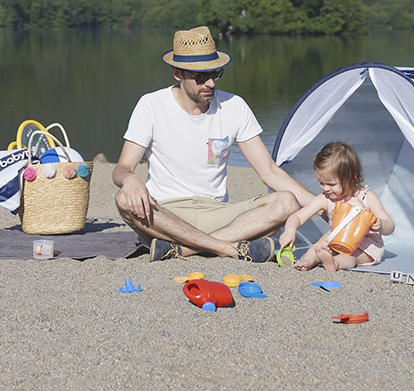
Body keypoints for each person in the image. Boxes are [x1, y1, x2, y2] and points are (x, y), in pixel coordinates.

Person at [113, 26, 314, 261]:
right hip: (165, 215)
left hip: (217, 212)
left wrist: (326, 207)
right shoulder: (151, 105)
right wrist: (130, 179)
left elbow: (269, 172)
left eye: (215, 74)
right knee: (123, 199)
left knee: (286, 201)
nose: (210, 83)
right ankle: (228, 248)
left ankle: (186, 250)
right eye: (200, 77)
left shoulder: (234, 106)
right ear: (177, 73)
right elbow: (121, 169)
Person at [281, 141, 395, 271]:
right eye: (321, 182)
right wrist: (290, 231)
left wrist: (381, 224)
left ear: (352, 178)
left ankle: (334, 263)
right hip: (335, 238)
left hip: (365, 244)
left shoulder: (367, 198)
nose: (325, 188)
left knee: (352, 257)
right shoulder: (325, 199)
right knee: (319, 245)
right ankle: (307, 262)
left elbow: (390, 226)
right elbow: (298, 216)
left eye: (331, 184)